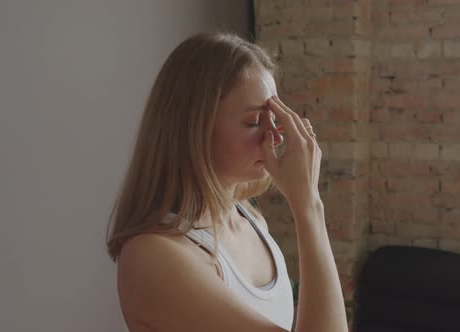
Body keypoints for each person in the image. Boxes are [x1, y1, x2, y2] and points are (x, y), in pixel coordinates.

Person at [106, 32, 348, 332]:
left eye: (274, 119)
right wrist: (308, 205)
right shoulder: (154, 256)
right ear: (194, 128)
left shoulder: (251, 221)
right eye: (253, 122)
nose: (275, 136)